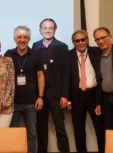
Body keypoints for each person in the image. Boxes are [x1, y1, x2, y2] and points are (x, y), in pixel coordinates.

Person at [68, 30, 113, 153]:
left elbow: (109, 48)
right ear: (73, 43)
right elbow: (65, 78)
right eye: (77, 41)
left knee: (100, 129)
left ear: (87, 40)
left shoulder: (96, 51)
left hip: (94, 95)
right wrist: (66, 97)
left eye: (83, 39)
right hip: (76, 96)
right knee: (78, 131)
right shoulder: (68, 55)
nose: (80, 42)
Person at [4, 26, 44, 153]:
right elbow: (3, 77)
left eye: (25, 37)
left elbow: (40, 76)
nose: (22, 40)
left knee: (31, 133)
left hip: (31, 102)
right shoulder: (8, 54)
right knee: (13, 133)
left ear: (29, 39)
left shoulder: (36, 55)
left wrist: (40, 97)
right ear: (14, 39)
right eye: (19, 37)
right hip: (12, 102)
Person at [32, 18, 70, 153]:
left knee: (60, 126)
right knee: (41, 127)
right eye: (45, 28)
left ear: (55, 30)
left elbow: (67, 73)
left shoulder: (62, 47)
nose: (47, 30)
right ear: (40, 30)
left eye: (50, 28)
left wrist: (65, 95)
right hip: (40, 94)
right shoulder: (35, 46)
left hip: (56, 94)